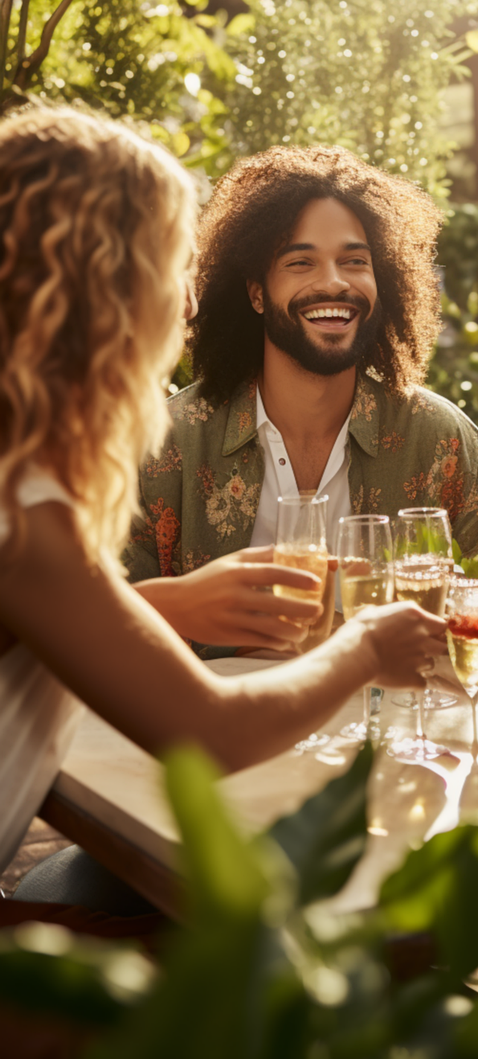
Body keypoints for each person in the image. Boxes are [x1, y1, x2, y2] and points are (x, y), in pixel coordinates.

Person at [0, 107, 445, 904]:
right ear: (104, 292)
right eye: (170, 269)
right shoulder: (21, 512)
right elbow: (211, 734)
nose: (186, 305)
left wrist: (177, 603)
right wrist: (368, 645)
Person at [122, 144, 478, 656]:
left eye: (354, 261)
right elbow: (109, 628)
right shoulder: (163, 444)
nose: (333, 282)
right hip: (213, 730)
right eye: (301, 262)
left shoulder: (441, 441)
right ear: (256, 293)